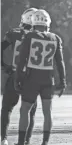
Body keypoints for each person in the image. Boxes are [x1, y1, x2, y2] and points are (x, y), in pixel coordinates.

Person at [15, 9, 67, 145]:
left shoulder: (30, 36)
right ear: (47, 23)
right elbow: (60, 63)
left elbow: (21, 60)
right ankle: (45, 142)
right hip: (48, 78)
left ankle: (21, 142)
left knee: (25, 109)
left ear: (33, 22)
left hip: (32, 78)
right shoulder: (56, 38)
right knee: (47, 112)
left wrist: (18, 78)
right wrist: (63, 81)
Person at [1, 8, 38, 145]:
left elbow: (1, 47)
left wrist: (4, 66)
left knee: (7, 108)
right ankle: (26, 141)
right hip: (32, 77)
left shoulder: (14, 33)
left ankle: (3, 139)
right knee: (30, 111)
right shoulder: (42, 36)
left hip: (16, 74)